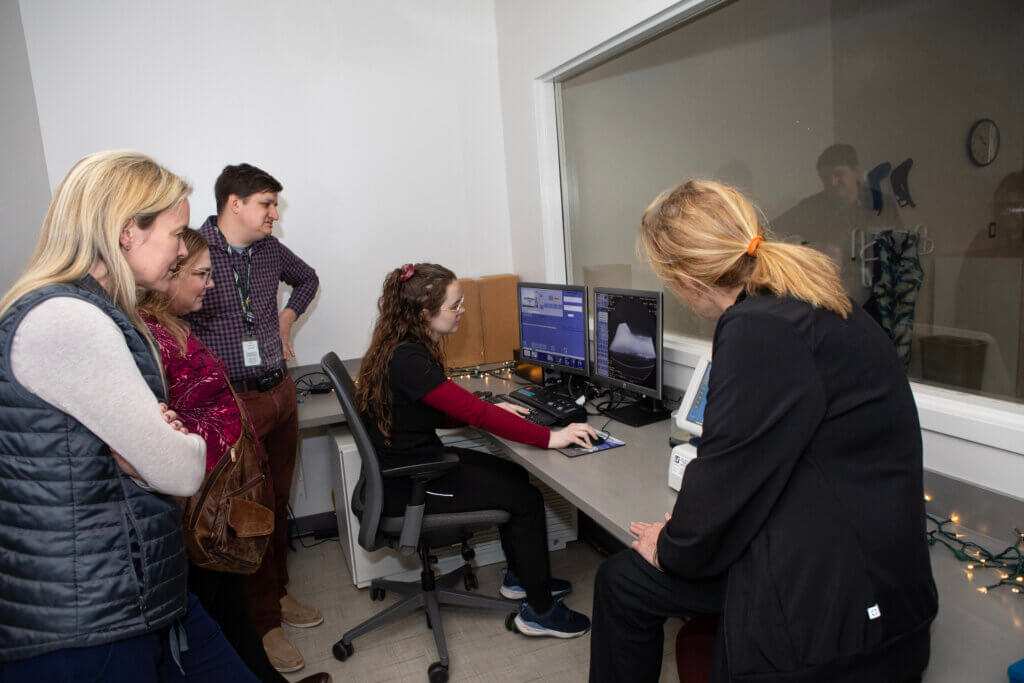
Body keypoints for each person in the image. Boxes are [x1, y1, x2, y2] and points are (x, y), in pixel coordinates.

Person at [589, 180, 937, 682]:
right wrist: (688, 531)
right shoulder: (807, 301)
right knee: (624, 582)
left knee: (627, 579)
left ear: (686, 279)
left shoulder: (759, 327)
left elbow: (727, 474)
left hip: (841, 615)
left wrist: (669, 545)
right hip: (879, 580)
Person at [0, 151, 257, 680]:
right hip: (91, 619)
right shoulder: (69, 319)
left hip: (134, 589)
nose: (184, 250)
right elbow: (181, 468)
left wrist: (146, 447)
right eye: (177, 233)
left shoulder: (89, 311)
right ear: (126, 234)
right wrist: (159, 443)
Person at [355, 263, 596, 638]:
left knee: (515, 475)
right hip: (413, 484)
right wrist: (550, 437)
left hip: (413, 466)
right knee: (525, 498)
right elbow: (472, 413)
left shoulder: (402, 348)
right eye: (455, 305)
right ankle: (540, 612)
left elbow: (436, 408)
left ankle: (522, 580)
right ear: (425, 314)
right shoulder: (409, 359)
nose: (462, 310)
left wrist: (491, 409)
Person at [139, 228, 330, 683]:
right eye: (201, 274)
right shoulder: (147, 335)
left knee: (228, 605)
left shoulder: (175, 324)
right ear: (171, 274)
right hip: (199, 495)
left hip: (222, 477)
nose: (210, 284)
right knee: (222, 605)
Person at [185, 163, 320, 672]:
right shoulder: (193, 250)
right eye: (266, 203)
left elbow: (307, 279)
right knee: (248, 512)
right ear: (234, 204)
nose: (274, 213)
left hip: (279, 391)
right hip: (232, 401)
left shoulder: (268, 250)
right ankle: (262, 625)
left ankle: (277, 597)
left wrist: (285, 319)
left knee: (279, 500)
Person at [773, 143, 904, 301]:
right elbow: (771, 232)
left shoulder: (882, 204)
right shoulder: (810, 207)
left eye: (838, 174)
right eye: (826, 178)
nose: (833, 182)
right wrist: (806, 249)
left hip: (874, 299)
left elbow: (899, 251)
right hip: (827, 299)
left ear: (856, 171)